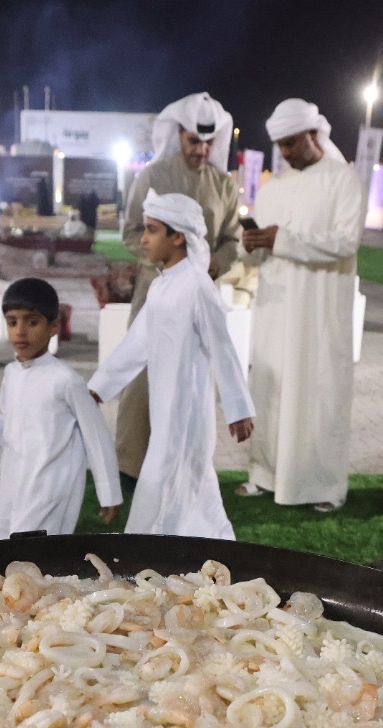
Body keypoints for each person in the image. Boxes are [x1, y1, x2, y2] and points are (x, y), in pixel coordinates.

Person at [89, 190, 254, 540]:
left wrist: (238, 408)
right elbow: (137, 344)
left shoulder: (196, 286)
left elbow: (222, 348)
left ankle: (149, 544)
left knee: (173, 472)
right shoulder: (163, 287)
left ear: (177, 236)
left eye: (151, 230)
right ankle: (205, 542)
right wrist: (100, 387)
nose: (144, 239)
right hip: (165, 405)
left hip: (190, 409)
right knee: (186, 477)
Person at [238, 99, 366, 513]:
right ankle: (264, 474)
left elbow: (346, 243)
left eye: (292, 143)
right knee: (271, 393)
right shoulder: (272, 188)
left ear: (314, 134)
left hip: (318, 314)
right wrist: (254, 245)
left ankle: (320, 485)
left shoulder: (343, 180)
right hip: (275, 312)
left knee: (317, 395)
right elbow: (262, 256)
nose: (287, 152)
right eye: (281, 145)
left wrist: (282, 239)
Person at [114, 92, 242, 481]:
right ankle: (131, 465)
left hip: (202, 295)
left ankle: (185, 467)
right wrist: (167, 261)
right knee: (142, 378)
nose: (201, 150)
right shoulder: (152, 176)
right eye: (193, 141)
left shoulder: (224, 184)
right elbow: (132, 232)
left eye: (208, 142)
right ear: (179, 135)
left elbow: (232, 239)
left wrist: (217, 261)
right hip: (157, 291)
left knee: (191, 380)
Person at [0, 278, 122, 538]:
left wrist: (109, 492)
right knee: (6, 536)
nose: (20, 331)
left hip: (51, 484)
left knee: (35, 548)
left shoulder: (65, 380)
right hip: (14, 478)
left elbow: (97, 437)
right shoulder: (11, 373)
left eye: (32, 322)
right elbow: (8, 421)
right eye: (12, 322)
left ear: (54, 326)